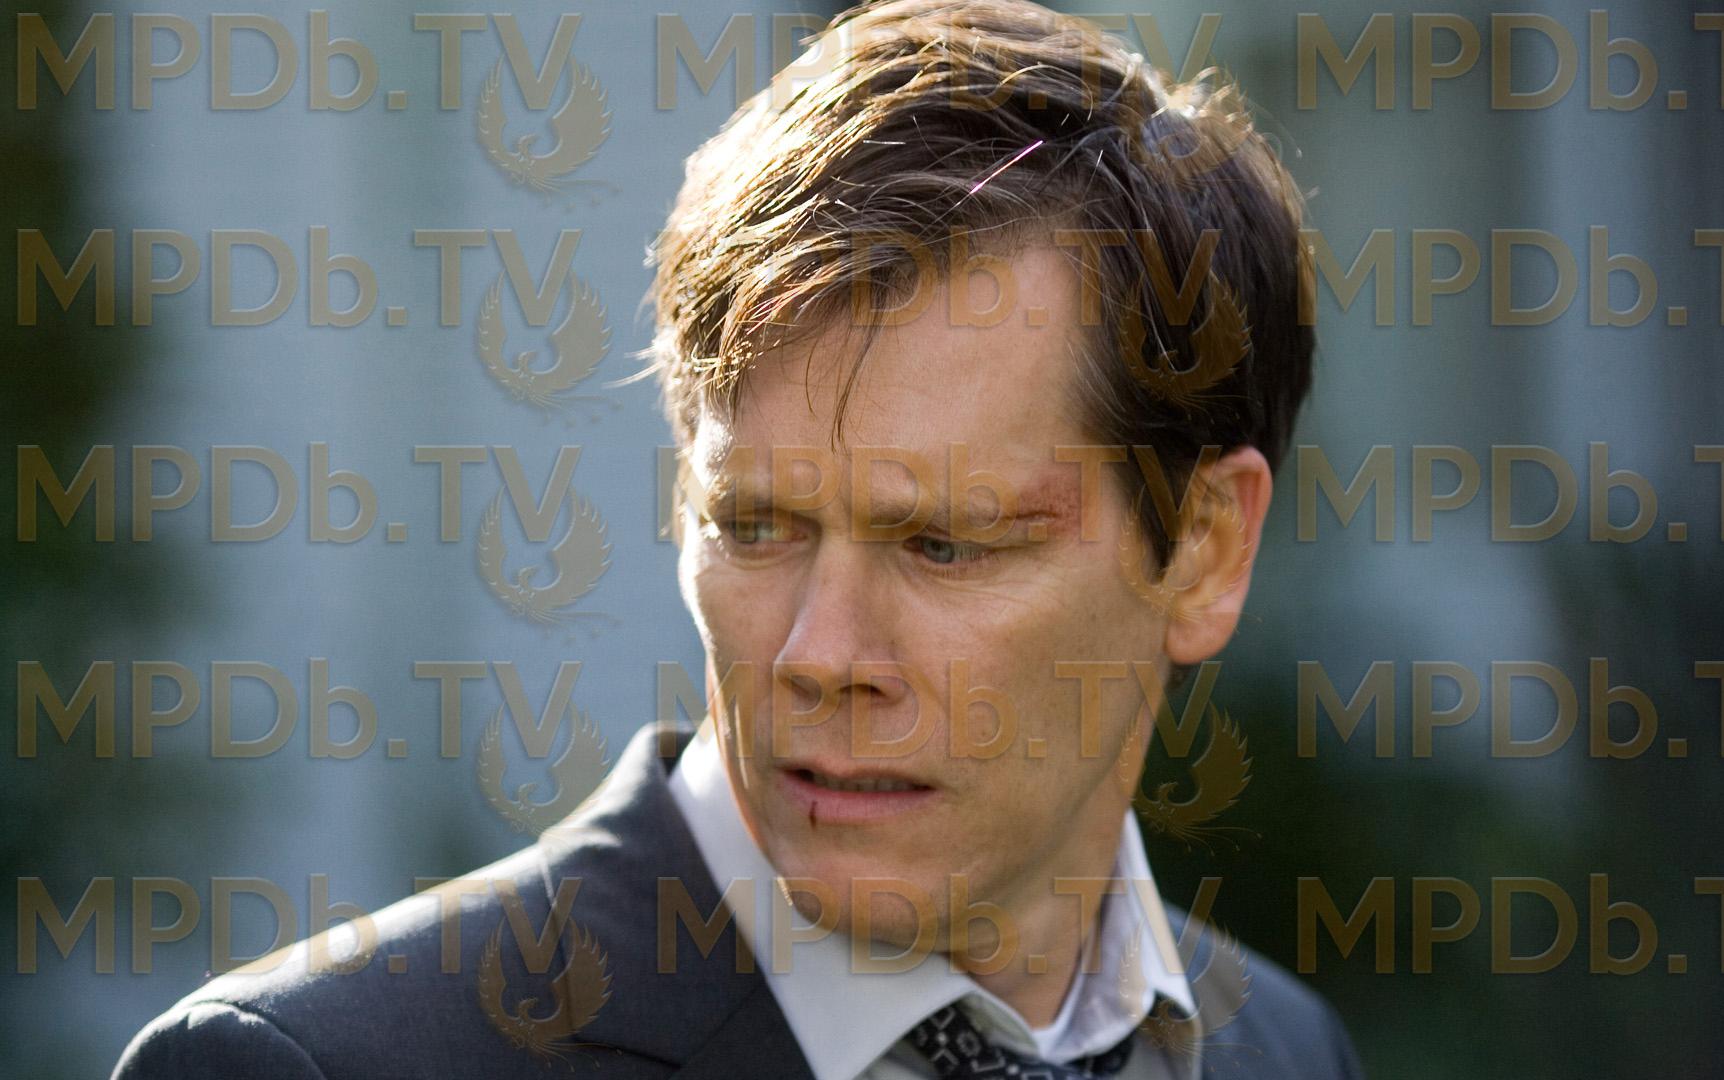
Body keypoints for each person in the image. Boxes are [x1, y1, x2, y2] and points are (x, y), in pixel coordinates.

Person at [114, 1, 1362, 1077]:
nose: (819, 655)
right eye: (754, 525)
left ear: (1205, 549)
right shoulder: (312, 1067)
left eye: (945, 544)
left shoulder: (1288, 1052)